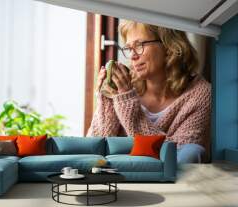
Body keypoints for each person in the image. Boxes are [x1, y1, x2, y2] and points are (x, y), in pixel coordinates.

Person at [87, 20, 211, 163]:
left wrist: (127, 105)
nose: (133, 56)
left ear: (169, 45)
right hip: (120, 172)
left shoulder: (201, 94)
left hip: (168, 182)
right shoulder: (123, 87)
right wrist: (107, 99)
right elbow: (94, 151)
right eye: (128, 48)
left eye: (139, 45)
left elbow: (177, 158)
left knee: (193, 151)